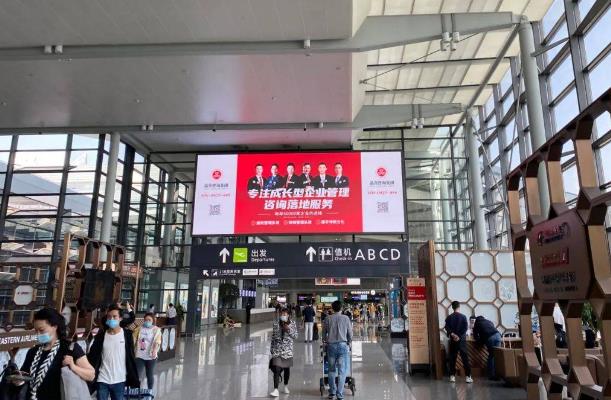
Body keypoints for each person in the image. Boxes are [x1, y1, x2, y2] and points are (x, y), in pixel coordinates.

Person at [14, 308, 95, 400]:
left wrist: (73, 367)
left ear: (55, 326)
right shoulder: (33, 352)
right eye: (36, 331)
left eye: (41, 330)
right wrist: (18, 380)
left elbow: (91, 375)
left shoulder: (69, 348)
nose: (38, 334)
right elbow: (24, 376)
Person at [88, 304, 140, 400]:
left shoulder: (127, 336)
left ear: (120, 318)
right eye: (109, 317)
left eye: (114, 316)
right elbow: (92, 356)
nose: (111, 319)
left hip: (119, 380)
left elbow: (130, 357)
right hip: (102, 379)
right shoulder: (101, 337)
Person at [322, 301, 352, 400]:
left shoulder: (327, 318)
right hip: (343, 346)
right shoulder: (346, 318)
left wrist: (325, 341)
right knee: (342, 371)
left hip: (331, 346)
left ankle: (332, 393)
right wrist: (349, 341)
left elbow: (323, 333)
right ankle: (340, 394)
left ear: (332, 308)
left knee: (331, 370)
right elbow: (350, 333)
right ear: (341, 308)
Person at [269, 308, 297, 397]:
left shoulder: (292, 324)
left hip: (287, 351)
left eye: (285, 314)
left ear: (288, 315)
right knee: (276, 369)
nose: (283, 316)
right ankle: (275, 389)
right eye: (282, 314)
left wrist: (288, 329)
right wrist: (272, 349)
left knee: (286, 370)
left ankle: (285, 386)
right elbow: (273, 337)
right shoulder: (276, 323)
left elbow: (295, 336)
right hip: (277, 350)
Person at [444, 301, 473, 383]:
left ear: (452, 307)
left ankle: (452, 376)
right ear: (459, 307)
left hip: (453, 340)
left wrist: (453, 335)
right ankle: (468, 377)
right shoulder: (463, 317)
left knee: (452, 358)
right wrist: (459, 336)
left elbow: (446, 327)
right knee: (465, 358)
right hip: (461, 340)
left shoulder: (449, 317)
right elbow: (465, 328)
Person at [133, 313, 161, 391]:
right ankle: (136, 391)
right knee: (137, 375)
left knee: (149, 375)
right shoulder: (139, 329)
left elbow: (157, 341)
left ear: (153, 321)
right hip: (139, 355)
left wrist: (154, 350)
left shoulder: (156, 329)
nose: (147, 321)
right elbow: (133, 339)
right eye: (145, 320)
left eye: (149, 320)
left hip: (150, 356)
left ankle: (150, 391)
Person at [472, 315, 501, 380]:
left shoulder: (477, 323)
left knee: (491, 356)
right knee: (497, 356)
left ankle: (491, 375)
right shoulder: (489, 321)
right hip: (498, 335)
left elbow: (475, 336)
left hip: (490, 338)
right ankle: (498, 374)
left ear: (476, 320)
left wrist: (479, 342)